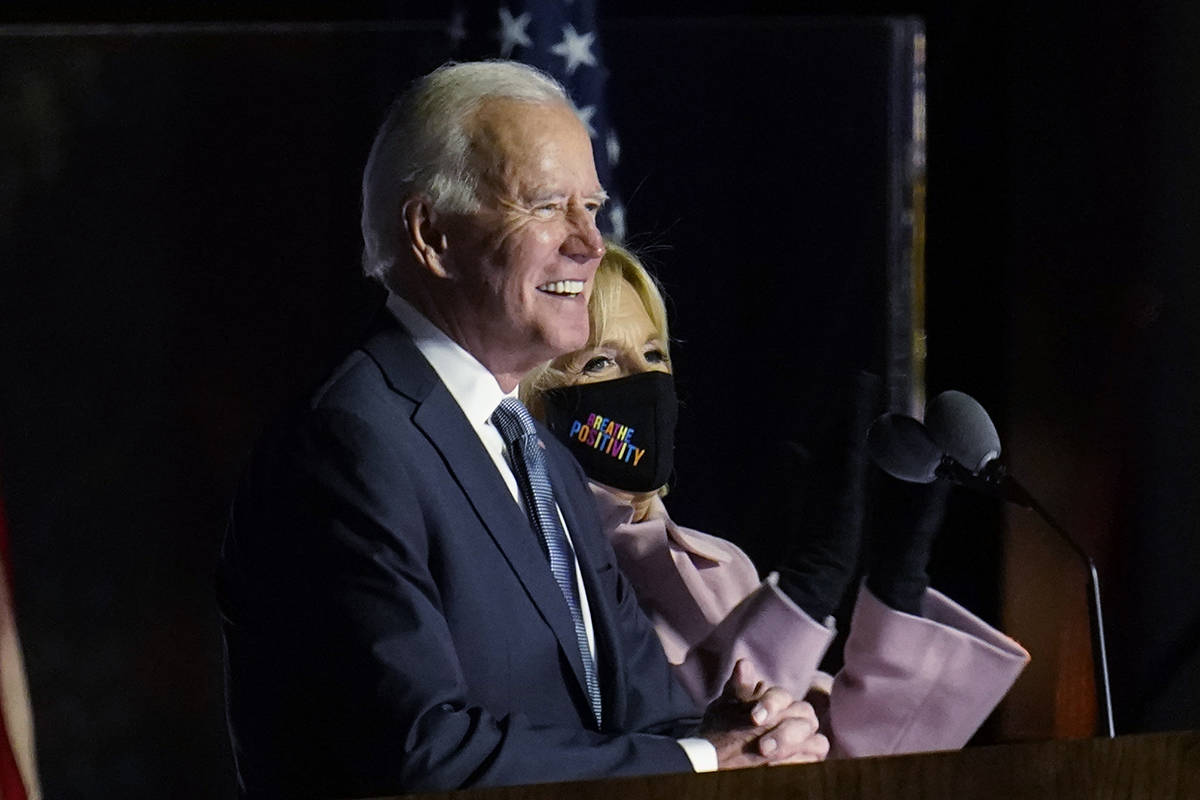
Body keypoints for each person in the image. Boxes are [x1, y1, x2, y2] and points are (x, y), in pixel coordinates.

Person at [217, 61, 826, 800]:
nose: (590, 243)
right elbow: (422, 754)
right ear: (432, 234)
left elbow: (641, 718)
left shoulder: (538, 454)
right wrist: (700, 759)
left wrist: (732, 731)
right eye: (546, 206)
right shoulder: (348, 444)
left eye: (593, 208)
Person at [522, 242, 1031, 758]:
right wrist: (803, 594)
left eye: (655, 355)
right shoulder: (532, 572)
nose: (644, 382)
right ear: (528, 399)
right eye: (600, 362)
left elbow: (842, 763)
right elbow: (674, 753)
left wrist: (897, 590)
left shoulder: (716, 567)